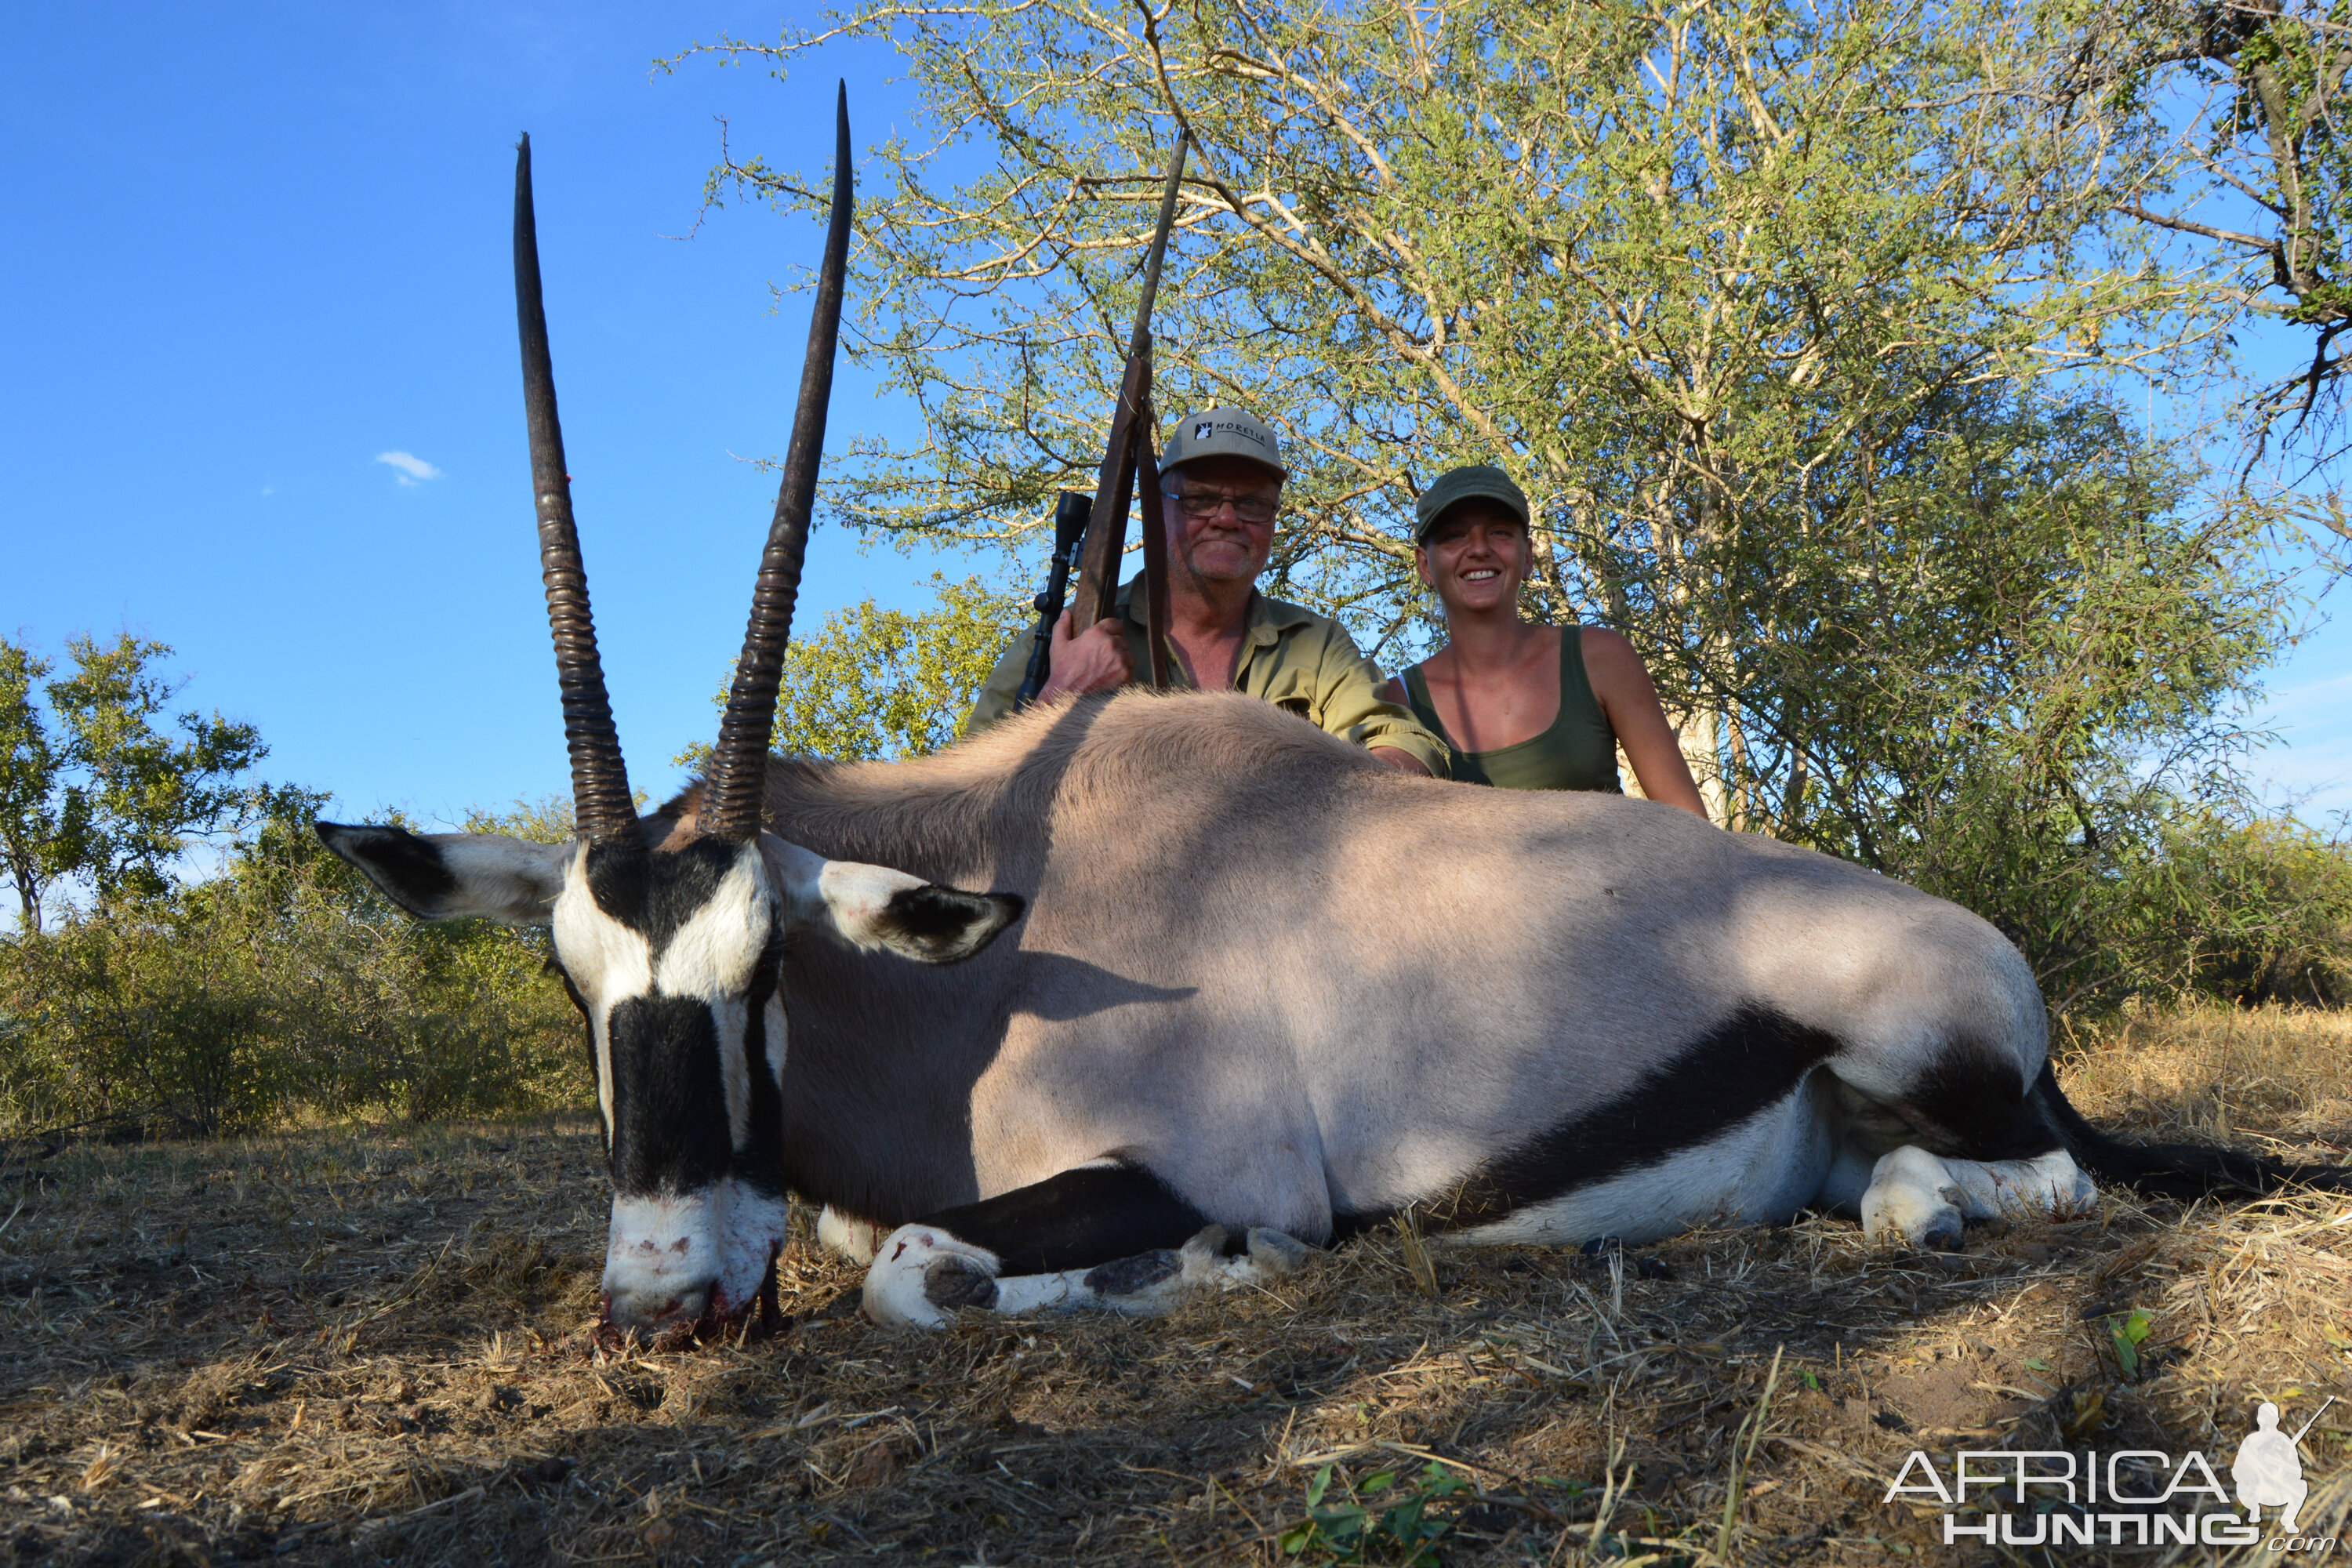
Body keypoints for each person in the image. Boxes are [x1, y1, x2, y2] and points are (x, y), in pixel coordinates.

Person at [964, 408, 1449, 776]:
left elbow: (1402, 742)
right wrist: (1058, 699)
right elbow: (964, 795)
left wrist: (1329, 797)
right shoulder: (1064, 641)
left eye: (1253, 504)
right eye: (1199, 499)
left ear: (1274, 520)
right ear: (1159, 510)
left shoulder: (1317, 646)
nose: (1226, 518)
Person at [1375, 464, 1709, 813]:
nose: (1478, 549)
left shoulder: (1601, 657)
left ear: (1528, 555)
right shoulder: (1400, 701)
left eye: (1500, 532)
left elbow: (1690, 826)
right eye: (1453, 536)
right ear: (1424, 565)